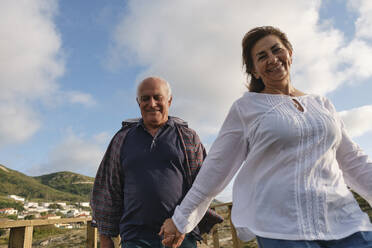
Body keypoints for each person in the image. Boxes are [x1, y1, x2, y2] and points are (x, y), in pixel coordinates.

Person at [160, 26, 372, 248]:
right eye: (262, 56)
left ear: (289, 53)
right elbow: (216, 168)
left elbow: (353, 161)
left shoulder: (323, 105)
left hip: (343, 221)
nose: (272, 59)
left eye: (276, 50)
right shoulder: (246, 108)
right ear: (254, 70)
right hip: (280, 228)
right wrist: (181, 219)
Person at [91, 77, 207, 248]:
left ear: (169, 100)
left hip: (179, 236)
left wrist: (184, 223)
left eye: (157, 97)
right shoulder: (121, 139)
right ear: (138, 102)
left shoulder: (188, 138)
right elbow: (108, 188)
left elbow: (203, 185)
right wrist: (105, 237)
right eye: (145, 98)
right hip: (135, 238)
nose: (152, 104)